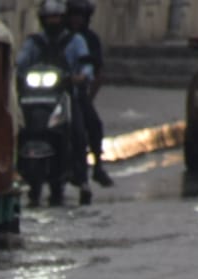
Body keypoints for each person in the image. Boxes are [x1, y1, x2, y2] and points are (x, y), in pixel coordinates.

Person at [18, 0, 95, 205]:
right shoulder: (34, 42)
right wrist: (16, 72)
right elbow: (21, 61)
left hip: (66, 96)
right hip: (35, 97)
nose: (53, 21)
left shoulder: (75, 40)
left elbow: (87, 65)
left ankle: (82, 178)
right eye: (49, 18)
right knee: (16, 127)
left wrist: (81, 76)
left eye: (57, 17)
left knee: (78, 132)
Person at [66, 0, 113, 187]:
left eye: (80, 16)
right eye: (73, 15)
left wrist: (88, 95)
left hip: (77, 92)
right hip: (49, 91)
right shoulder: (52, 37)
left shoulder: (88, 40)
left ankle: (97, 166)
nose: (76, 20)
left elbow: (97, 72)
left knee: (93, 124)